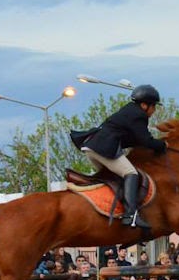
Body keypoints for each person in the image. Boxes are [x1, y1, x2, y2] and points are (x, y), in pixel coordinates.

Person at [72, 84, 168, 229]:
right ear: (144, 105)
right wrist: (163, 145)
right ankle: (130, 215)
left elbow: (133, 139)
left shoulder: (129, 111)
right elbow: (145, 140)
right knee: (131, 173)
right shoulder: (139, 115)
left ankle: (113, 209)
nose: (154, 110)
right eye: (153, 106)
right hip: (103, 148)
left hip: (91, 147)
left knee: (114, 179)